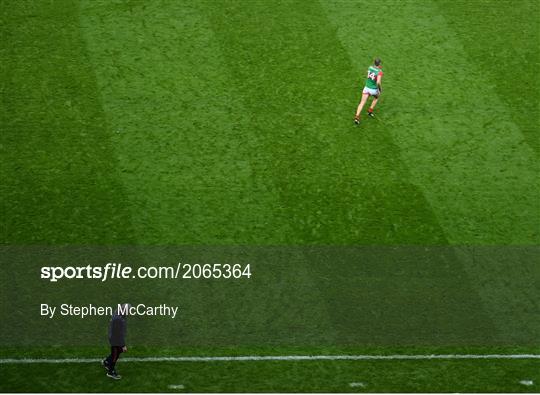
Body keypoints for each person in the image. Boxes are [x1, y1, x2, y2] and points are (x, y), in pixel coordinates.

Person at [102, 304, 128, 379]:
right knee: (115, 355)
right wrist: (123, 345)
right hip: (115, 339)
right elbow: (118, 333)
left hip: (113, 337)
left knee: (117, 351)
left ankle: (106, 362)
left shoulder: (118, 314)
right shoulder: (118, 319)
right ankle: (111, 372)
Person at [354, 58, 383, 124]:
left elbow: (368, 76)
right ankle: (370, 111)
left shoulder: (370, 67)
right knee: (376, 97)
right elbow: (378, 82)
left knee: (362, 103)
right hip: (373, 89)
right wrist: (380, 89)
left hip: (366, 87)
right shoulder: (380, 72)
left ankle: (357, 117)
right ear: (380, 63)